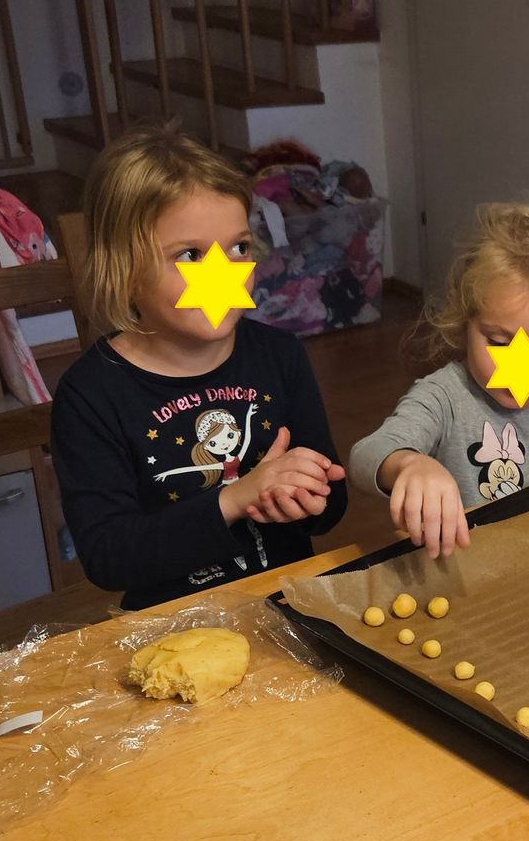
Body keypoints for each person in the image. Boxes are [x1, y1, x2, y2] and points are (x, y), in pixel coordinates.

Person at [52, 122, 347, 609]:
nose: (223, 275)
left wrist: (306, 497)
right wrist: (236, 499)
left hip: (290, 607)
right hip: (171, 625)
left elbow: (331, 506)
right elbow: (108, 558)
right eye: (189, 255)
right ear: (123, 270)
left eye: (239, 248)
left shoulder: (280, 355)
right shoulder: (90, 394)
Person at [350, 199, 529, 559]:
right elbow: (364, 457)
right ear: (464, 322)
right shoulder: (443, 396)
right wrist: (409, 464)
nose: (522, 371)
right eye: (499, 342)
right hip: (465, 574)